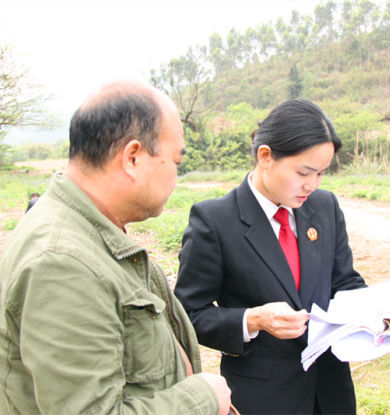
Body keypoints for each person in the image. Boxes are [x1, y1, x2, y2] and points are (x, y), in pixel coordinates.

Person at [0, 80, 232, 415]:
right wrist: (202, 398)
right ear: (133, 157)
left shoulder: (91, 230)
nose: (175, 176)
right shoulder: (63, 263)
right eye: (176, 162)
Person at [175, 99, 366, 414]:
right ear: (265, 156)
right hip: (263, 397)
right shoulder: (216, 221)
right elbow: (189, 314)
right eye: (304, 172)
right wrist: (253, 320)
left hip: (330, 390)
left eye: (321, 173)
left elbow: (344, 280)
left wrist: (375, 313)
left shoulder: (324, 206)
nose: (312, 185)